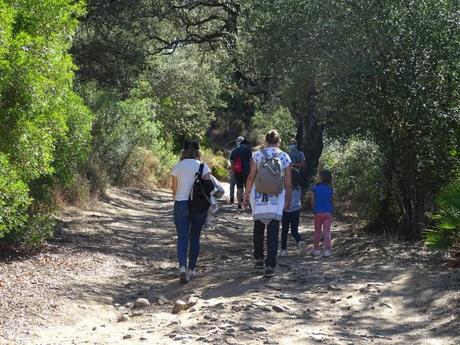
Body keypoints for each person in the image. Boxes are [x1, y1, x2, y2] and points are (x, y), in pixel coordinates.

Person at [243, 130, 292, 278]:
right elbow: (288, 183)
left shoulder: (257, 155)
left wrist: (246, 194)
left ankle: (258, 259)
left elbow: (251, 177)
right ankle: (270, 265)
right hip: (276, 198)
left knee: (258, 227)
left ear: (266, 141)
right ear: (279, 141)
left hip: (259, 197)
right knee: (273, 230)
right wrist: (288, 200)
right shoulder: (284, 156)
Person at [171, 140, 211, 283]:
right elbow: (209, 188)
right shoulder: (203, 166)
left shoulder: (177, 167)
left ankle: (182, 267)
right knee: (195, 237)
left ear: (184, 151)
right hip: (199, 205)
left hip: (181, 203)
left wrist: (178, 200)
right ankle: (191, 270)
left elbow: (174, 190)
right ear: (198, 151)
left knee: (182, 238)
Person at [280, 139, 307, 256]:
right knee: (294, 230)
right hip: (296, 209)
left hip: (286, 210)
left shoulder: (300, 153)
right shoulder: (298, 189)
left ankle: (283, 250)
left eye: (293, 143)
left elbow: (303, 164)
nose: (291, 145)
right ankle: (300, 242)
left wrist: (291, 166)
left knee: (284, 230)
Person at [309, 169, 334, 258]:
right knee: (327, 232)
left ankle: (316, 250)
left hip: (318, 212)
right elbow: (331, 201)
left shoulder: (315, 187)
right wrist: (332, 210)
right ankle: (327, 250)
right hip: (328, 213)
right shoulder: (330, 188)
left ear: (321, 177)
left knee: (317, 232)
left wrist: (314, 209)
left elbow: (312, 201)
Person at [230, 137, 252, 209]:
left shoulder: (234, 150)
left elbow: (232, 162)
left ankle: (239, 204)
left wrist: (233, 171)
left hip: (237, 171)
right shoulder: (248, 150)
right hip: (246, 171)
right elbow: (251, 161)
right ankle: (248, 204)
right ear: (246, 144)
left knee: (239, 187)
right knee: (247, 187)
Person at [228, 136, 243, 203]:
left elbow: (231, 161)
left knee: (232, 184)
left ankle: (232, 197)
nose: (239, 142)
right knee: (240, 184)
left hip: (235, 169)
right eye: (238, 140)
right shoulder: (245, 150)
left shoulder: (233, 151)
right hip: (242, 170)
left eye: (240, 141)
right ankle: (241, 198)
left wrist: (232, 169)